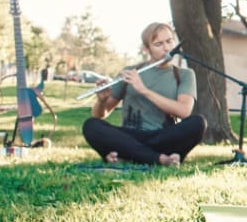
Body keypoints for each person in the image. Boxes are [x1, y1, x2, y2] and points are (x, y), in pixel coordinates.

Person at [82, 22, 206, 167]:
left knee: (198, 123)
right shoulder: (130, 71)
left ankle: (128, 155)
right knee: (91, 125)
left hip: (161, 137)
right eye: (158, 44)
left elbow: (184, 111)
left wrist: (144, 90)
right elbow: (99, 115)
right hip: (130, 135)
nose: (166, 48)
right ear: (146, 49)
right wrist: (102, 101)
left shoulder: (184, 74)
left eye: (169, 41)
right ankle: (160, 159)